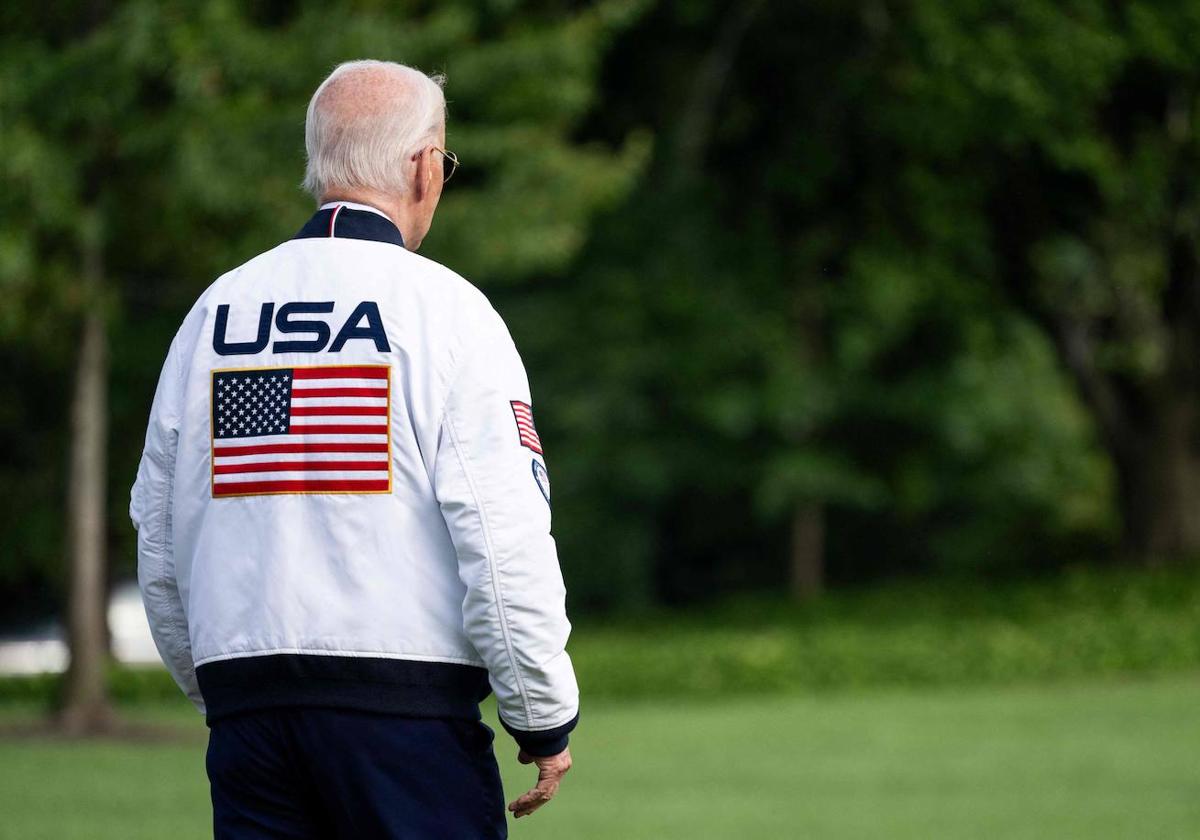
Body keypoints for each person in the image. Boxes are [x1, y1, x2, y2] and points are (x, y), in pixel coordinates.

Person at [129, 59, 578, 839]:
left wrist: (223, 692)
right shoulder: (449, 312)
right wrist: (541, 715)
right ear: (422, 167)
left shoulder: (215, 312)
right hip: (406, 719)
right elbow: (502, 539)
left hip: (250, 719)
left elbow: (159, 535)